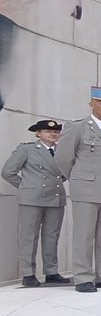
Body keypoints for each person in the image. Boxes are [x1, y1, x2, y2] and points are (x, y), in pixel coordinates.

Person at [55, 86, 101, 293]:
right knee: (84, 235)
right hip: (86, 190)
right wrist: (79, 178)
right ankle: (83, 277)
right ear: (91, 104)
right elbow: (62, 158)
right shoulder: (77, 127)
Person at [2, 119, 70, 287]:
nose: (53, 134)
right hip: (32, 199)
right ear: (38, 133)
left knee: (52, 236)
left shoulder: (63, 151)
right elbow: (7, 171)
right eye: (47, 131)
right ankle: (28, 273)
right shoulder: (27, 149)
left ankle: (51, 271)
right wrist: (26, 187)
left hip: (55, 197)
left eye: (55, 131)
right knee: (29, 237)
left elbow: (67, 171)